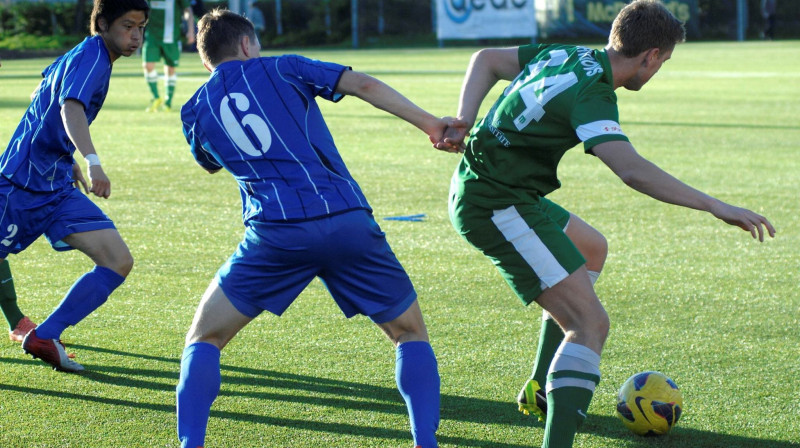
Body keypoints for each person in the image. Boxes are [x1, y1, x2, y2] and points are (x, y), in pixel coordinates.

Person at [438, 0, 775, 446]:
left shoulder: (568, 54)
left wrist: (465, 117)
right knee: (590, 325)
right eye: (663, 63)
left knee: (590, 247)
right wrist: (716, 205)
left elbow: (486, 60)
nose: (658, 72)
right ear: (650, 55)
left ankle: (541, 387)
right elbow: (631, 170)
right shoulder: (595, 93)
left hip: (499, 188)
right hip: (496, 205)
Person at [175, 9, 462, 448]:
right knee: (408, 331)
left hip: (274, 233)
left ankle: (190, 443)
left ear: (207, 59)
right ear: (248, 45)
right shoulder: (284, 66)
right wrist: (431, 124)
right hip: (344, 217)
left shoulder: (195, 108)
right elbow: (362, 84)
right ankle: (425, 442)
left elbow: (209, 162)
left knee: (205, 337)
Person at [0, 0, 148, 372]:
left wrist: (66, 160)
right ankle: (19, 321)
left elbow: (42, 95)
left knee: (118, 261)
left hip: (57, 185)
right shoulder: (93, 57)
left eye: (141, 27)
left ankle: (43, 336)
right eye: (128, 26)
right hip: (22, 185)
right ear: (102, 23)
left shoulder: (87, 55)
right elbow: (68, 106)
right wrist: (92, 161)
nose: (136, 36)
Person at [142, 0, 194, 112]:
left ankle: (168, 102)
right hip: (152, 36)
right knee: (147, 65)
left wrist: (190, 30)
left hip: (171, 37)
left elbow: (187, 10)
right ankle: (156, 97)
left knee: (170, 68)